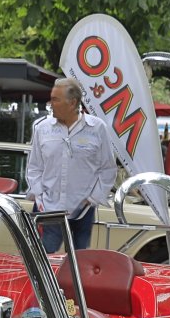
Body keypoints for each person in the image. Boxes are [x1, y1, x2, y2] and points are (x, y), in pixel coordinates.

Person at [25, 76, 118, 252]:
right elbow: (34, 167)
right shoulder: (42, 128)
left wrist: (92, 199)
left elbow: (108, 169)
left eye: (55, 100)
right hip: (48, 209)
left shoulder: (97, 128)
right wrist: (39, 195)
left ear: (73, 102)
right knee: (43, 259)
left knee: (78, 262)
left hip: (82, 211)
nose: (51, 104)